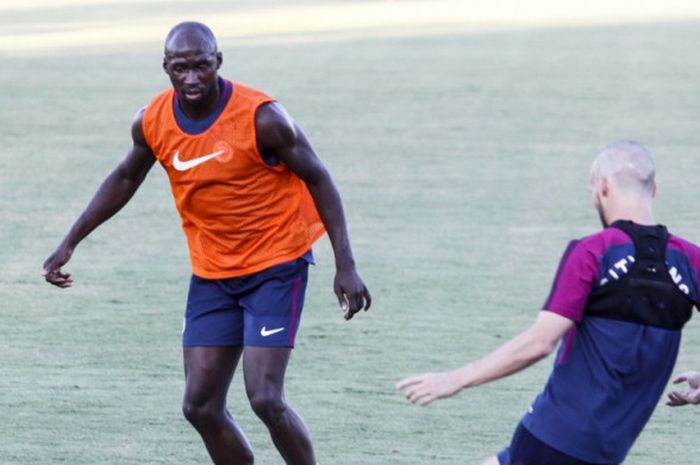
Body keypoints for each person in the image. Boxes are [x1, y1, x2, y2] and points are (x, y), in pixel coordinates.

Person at [42, 21, 371, 465]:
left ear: (218, 62)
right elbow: (125, 177)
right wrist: (70, 241)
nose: (192, 77)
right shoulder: (153, 120)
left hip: (276, 266)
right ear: (166, 68)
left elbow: (320, 179)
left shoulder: (263, 117)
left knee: (265, 399)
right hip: (213, 273)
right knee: (199, 406)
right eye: (181, 68)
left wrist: (345, 265)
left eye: (201, 66)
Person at [397, 140, 700, 465]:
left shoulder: (593, 252)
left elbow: (541, 342)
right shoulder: (691, 260)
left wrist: (454, 379)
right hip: (606, 449)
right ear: (653, 189)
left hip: (557, 435)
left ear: (603, 188)